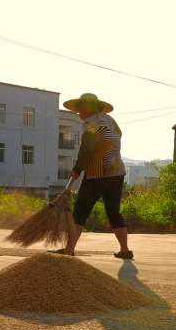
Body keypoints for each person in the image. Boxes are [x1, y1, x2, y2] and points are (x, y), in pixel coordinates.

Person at [52, 93, 132, 259]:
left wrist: (77, 169)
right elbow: (115, 139)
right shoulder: (110, 120)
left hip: (98, 172)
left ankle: (69, 249)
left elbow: (87, 149)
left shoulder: (92, 124)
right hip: (117, 171)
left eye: (81, 108)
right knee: (113, 211)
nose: (79, 112)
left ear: (89, 108)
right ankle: (125, 250)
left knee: (81, 210)